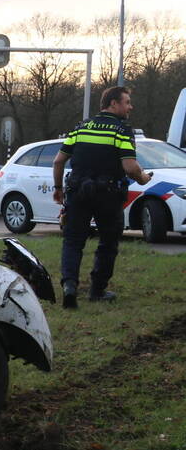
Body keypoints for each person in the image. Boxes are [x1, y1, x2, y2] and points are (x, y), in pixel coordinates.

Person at [52, 86, 151, 309]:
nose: (130, 107)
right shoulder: (122, 129)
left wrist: (58, 187)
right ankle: (97, 290)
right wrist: (143, 178)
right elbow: (130, 167)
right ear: (113, 104)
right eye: (127, 102)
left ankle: (69, 287)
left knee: (73, 241)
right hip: (108, 195)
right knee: (108, 242)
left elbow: (59, 161)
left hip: (77, 192)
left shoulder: (81, 126)